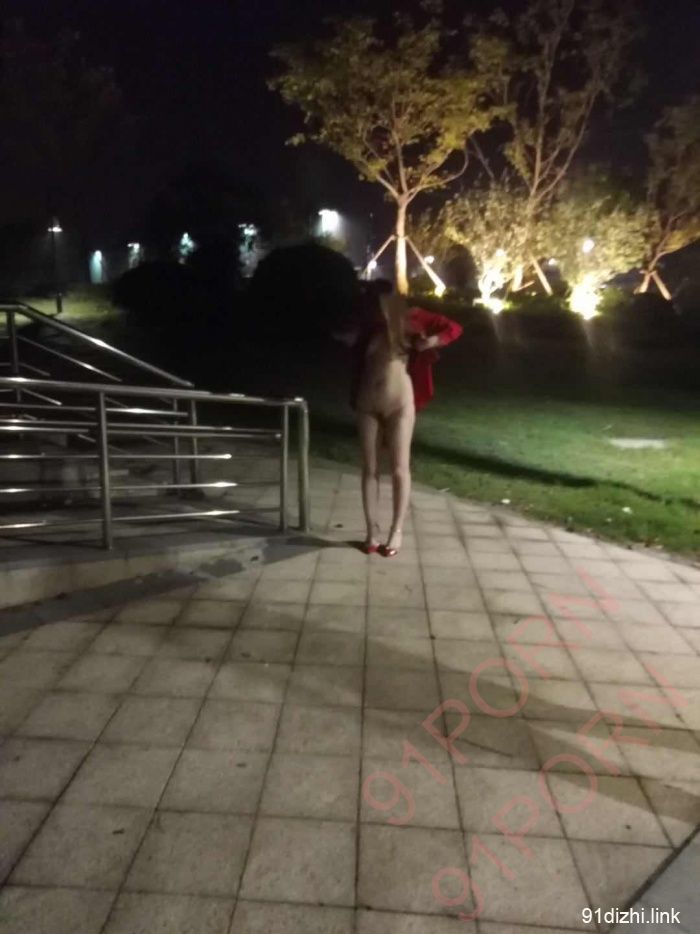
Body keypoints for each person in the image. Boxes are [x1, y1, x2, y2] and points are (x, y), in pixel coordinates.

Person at [338, 280, 462, 557]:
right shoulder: (367, 323)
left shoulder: (412, 318)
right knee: (369, 468)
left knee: (399, 468)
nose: (381, 309)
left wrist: (432, 341)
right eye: (376, 303)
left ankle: (396, 531)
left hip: (400, 403)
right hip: (367, 402)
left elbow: (453, 328)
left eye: (385, 303)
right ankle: (371, 532)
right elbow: (345, 336)